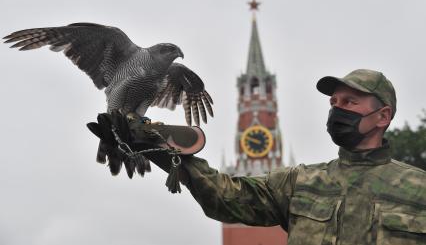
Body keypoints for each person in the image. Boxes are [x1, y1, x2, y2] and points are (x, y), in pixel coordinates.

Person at [89, 69, 426, 244]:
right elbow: (226, 197)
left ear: (383, 116)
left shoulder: (419, 190)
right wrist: (165, 147)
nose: (338, 110)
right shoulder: (301, 183)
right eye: (334, 103)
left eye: (350, 103)